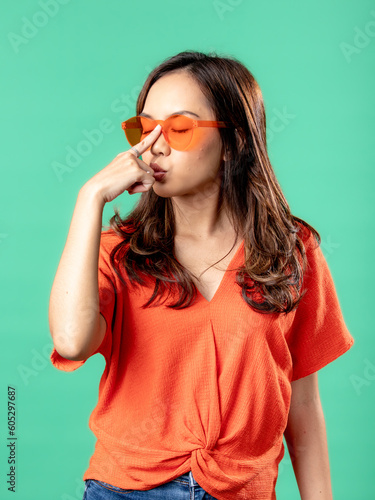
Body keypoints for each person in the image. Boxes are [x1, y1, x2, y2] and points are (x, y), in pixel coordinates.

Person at [48, 50, 355, 500]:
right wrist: (89, 197)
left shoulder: (291, 252)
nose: (153, 144)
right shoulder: (119, 253)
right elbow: (71, 341)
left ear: (233, 143)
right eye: (144, 127)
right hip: (126, 490)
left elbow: (303, 404)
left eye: (179, 128)